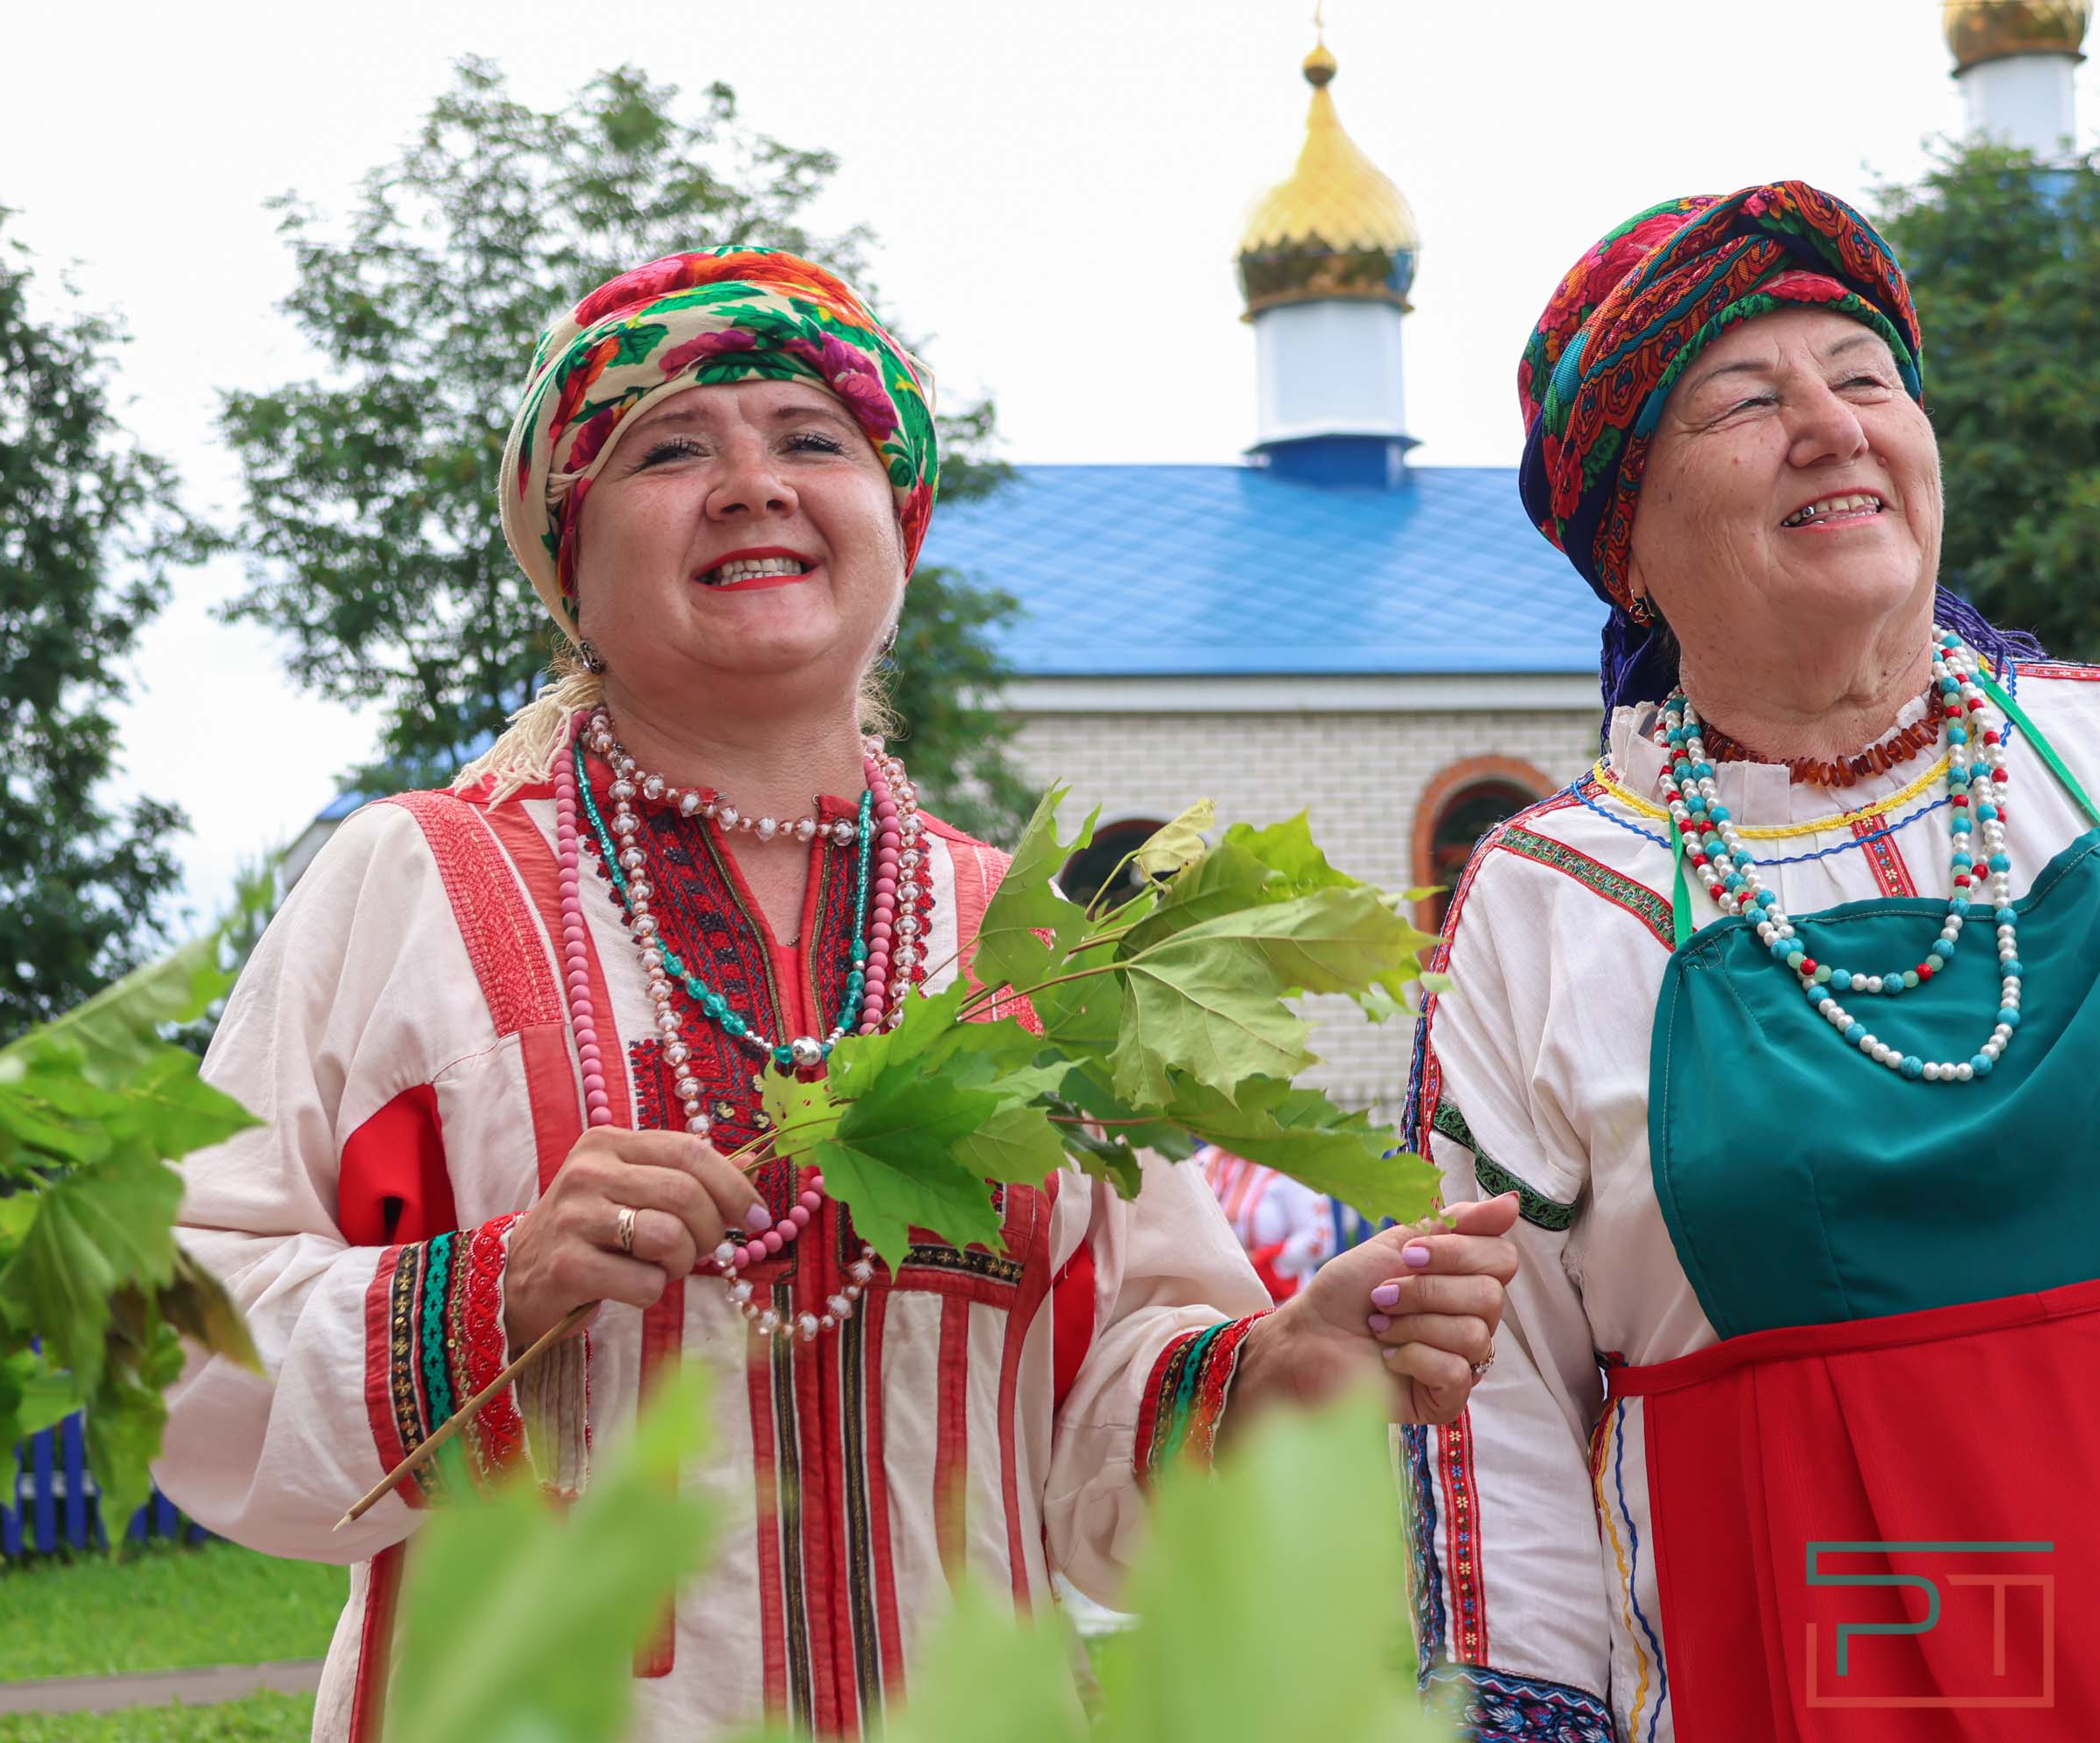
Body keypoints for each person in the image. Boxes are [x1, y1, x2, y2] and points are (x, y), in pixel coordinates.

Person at [154, 247, 1517, 1741]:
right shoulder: (418, 885)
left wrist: (1273, 1369)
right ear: (569, 557)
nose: (754, 486)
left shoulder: (1013, 944)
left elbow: (1089, 1430)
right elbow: (172, 1336)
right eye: (670, 449)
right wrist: (498, 1285)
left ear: (895, 523)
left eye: (813, 440)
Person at [1399, 180, 2100, 1742]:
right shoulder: (1553, 900)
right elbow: (1491, 1405)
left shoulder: (2092, 757)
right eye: (1745, 401)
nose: (1833, 428)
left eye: (1865, 378)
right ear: (1629, 549)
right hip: (1800, 1678)